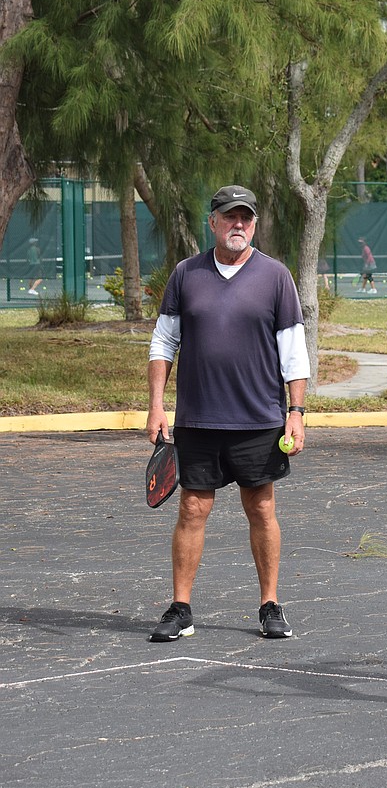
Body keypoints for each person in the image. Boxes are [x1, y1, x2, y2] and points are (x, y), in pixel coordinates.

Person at [146, 185, 310, 643]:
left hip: (260, 419)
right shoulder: (186, 274)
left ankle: (270, 604)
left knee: (261, 508)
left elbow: (294, 353)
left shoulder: (276, 277)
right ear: (213, 221)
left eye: (247, 218)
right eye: (229, 216)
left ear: (254, 225)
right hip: (197, 419)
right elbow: (163, 343)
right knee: (192, 509)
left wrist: (296, 411)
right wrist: (157, 406)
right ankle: (181, 608)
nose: (238, 224)